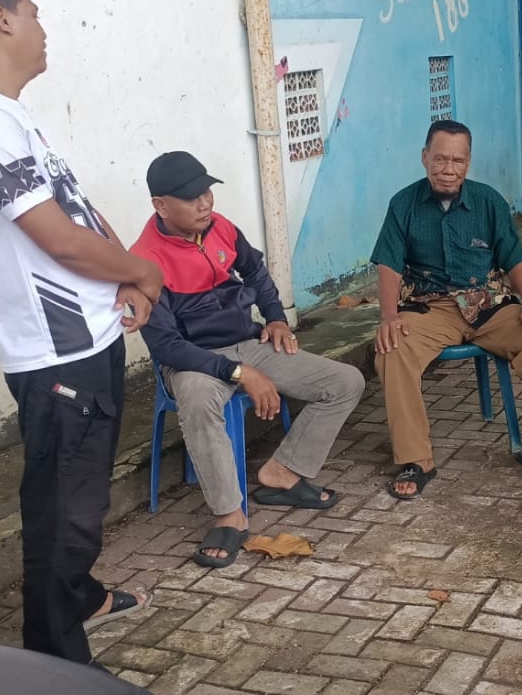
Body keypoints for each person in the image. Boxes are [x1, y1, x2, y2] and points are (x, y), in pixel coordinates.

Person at [0, 0, 164, 662]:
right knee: (63, 512)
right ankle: (57, 663)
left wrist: (126, 275)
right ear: (1, 17)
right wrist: (142, 270)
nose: (43, 28)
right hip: (56, 352)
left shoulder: (9, 114)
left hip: (90, 333)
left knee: (80, 500)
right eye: (34, 13)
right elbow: (57, 239)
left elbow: (75, 208)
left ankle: (81, 596)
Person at [130, 151, 365, 568]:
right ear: (160, 205)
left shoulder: (221, 228)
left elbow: (256, 272)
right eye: (191, 198)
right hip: (192, 360)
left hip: (247, 342)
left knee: (345, 381)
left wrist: (275, 318)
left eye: (206, 192)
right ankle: (229, 516)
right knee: (199, 399)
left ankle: (283, 473)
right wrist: (239, 373)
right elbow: (166, 345)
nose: (204, 203)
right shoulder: (146, 259)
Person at [371, 119, 522, 499]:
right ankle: (416, 459)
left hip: (489, 305)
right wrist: (389, 317)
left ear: (468, 162)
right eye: (440, 159)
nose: (448, 169)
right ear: (424, 157)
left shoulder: (488, 201)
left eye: (457, 160)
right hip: (430, 308)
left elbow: (514, 257)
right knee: (392, 348)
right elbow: (389, 266)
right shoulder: (403, 204)